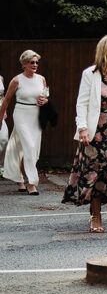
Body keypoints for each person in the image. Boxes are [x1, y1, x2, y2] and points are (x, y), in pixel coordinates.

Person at [63, 36, 107, 232]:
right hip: (97, 134)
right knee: (95, 175)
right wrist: (82, 128)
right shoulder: (91, 74)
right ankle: (95, 216)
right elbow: (82, 103)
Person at [0, 50, 49, 194]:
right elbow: (6, 100)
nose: (35, 65)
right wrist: (0, 118)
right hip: (21, 114)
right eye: (31, 62)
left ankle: (20, 178)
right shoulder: (17, 80)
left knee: (32, 150)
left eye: (37, 62)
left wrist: (45, 101)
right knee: (29, 146)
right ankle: (32, 183)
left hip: (36, 115)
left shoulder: (41, 79)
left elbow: (45, 96)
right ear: (24, 64)